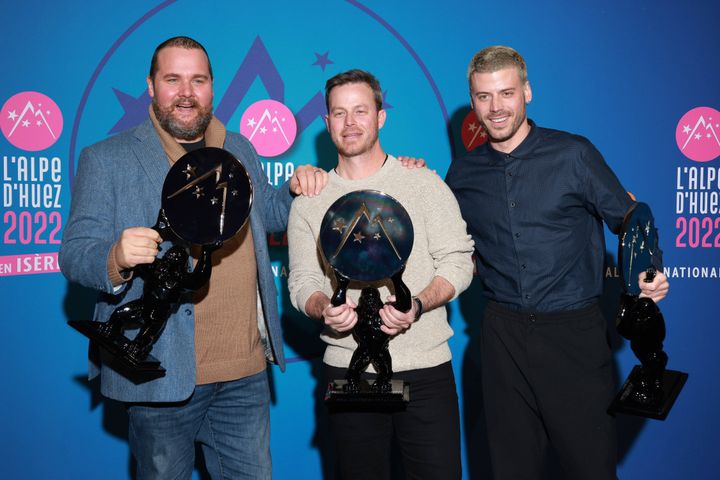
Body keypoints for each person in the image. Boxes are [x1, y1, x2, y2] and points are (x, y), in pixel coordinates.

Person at [59, 36, 329, 479]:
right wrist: (115, 257)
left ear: (211, 87)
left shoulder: (238, 148)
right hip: (160, 379)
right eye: (173, 79)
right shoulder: (106, 158)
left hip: (244, 374)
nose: (186, 92)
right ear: (150, 86)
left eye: (198, 80)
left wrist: (297, 186)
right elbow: (74, 253)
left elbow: (266, 216)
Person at [445, 46, 670, 480]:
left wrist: (649, 270)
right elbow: (458, 252)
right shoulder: (462, 175)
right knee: (511, 470)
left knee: (591, 469)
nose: (496, 108)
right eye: (484, 97)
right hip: (501, 339)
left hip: (574, 336)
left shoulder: (574, 154)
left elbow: (628, 216)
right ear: (472, 102)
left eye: (506, 93)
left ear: (527, 91)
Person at [287, 69, 475, 479]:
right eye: (339, 113)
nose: (350, 123)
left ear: (381, 117)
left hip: (425, 370)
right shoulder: (309, 201)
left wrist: (419, 304)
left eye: (360, 111)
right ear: (326, 123)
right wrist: (322, 309)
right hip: (347, 372)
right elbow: (301, 282)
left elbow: (459, 261)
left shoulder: (422, 183)